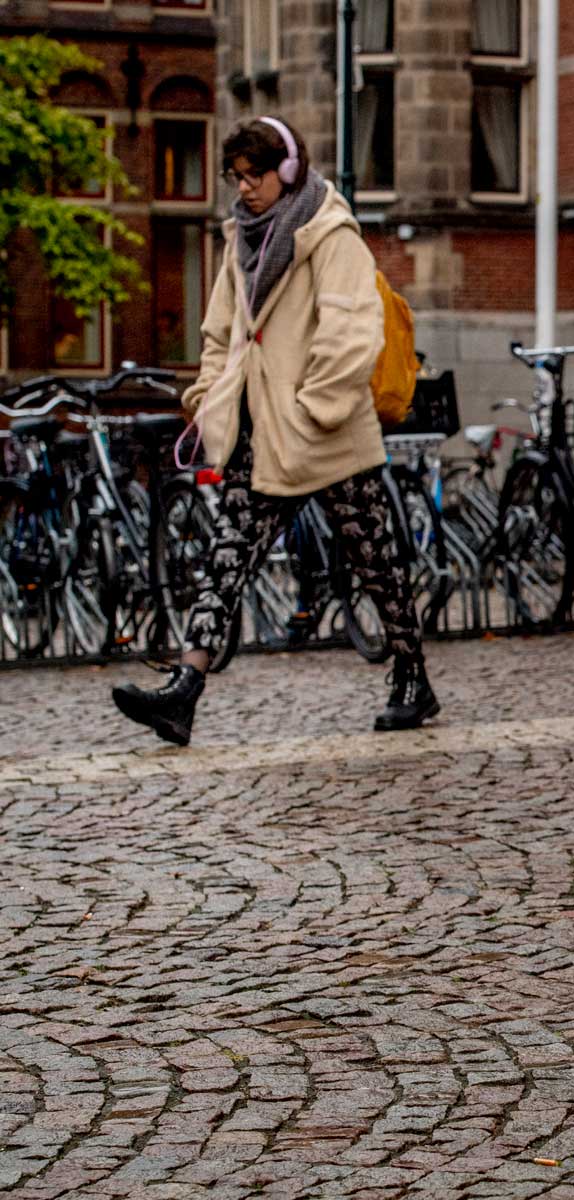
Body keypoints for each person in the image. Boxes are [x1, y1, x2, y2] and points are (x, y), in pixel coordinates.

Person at [112, 116, 439, 746]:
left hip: (329, 435)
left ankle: (412, 674)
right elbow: (219, 331)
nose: (245, 189)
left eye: (254, 175)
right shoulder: (242, 240)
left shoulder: (331, 232)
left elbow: (353, 329)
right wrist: (210, 396)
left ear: (287, 171)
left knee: (377, 562)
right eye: (236, 178)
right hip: (260, 436)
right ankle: (185, 688)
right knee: (224, 560)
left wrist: (316, 406)